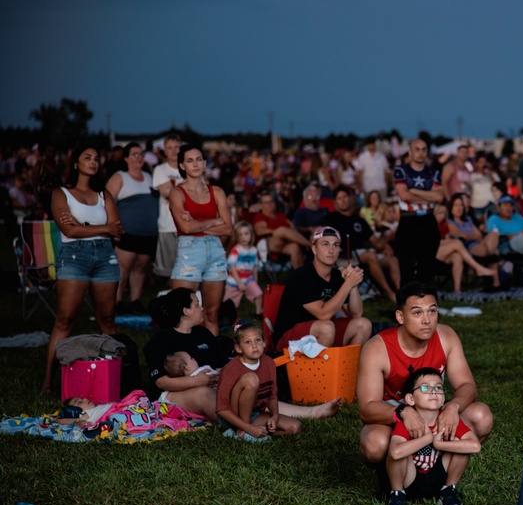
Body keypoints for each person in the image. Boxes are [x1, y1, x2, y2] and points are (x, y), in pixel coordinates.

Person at [357, 282, 493, 476]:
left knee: (482, 416)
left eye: (432, 311)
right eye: (417, 313)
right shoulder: (377, 348)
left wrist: (452, 407)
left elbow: (467, 385)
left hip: (434, 412)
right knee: (374, 444)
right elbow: (367, 409)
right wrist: (404, 412)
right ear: (400, 317)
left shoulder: (446, 336)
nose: (427, 320)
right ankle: (397, 476)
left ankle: (439, 468)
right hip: (395, 417)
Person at [144, 288, 342, 420]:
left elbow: (224, 363)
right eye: (197, 304)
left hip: (211, 385)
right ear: (186, 311)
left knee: (249, 385)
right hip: (173, 395)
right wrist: (199, 382)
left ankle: (312, 412)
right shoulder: (162, 339)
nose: (202, 308)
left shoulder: (202, 334)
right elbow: (160, 382)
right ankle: (249, 422)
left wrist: (222, 374)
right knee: (205, 393)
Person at [41, 144, 125, 393]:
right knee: (65, 319)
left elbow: (117, 231)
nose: (93, 161)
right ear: (76, 164)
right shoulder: (61, 194)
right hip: (74, 257)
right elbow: (70, 230)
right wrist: (102, 228)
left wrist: (84, 226)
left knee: (108, 320)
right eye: (87, 157)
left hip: (105, 257)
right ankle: (48, 381)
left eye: (96, 158)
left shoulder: (104, 195)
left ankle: (118, 376)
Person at [384, 367, 481, 505]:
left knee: (460, 444)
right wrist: (428, 438)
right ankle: (397, 495)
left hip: (438, 476)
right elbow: (395, 452)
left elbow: (474, 446)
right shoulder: (409, 422)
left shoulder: (447, 420)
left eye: (438, 388)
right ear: (410, 399)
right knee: (401, 451)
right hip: (410, 478)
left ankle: (448, 491)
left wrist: (439, 444)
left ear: (443, 398)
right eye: (425, 388)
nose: (433, 391)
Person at [272, 227, 371, 352]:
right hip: (289, 339)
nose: (331, 250)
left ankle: (348, 369)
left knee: (363, 324)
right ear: (314, 249)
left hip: (325, 332)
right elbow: (323, 314)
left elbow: (356, 313)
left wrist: (353, 285)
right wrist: (347, 284)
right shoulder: (301, 276)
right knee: (326, 327)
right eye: (325, 244)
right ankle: (318, 371)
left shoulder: (336, 276)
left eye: (335, 245)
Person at [168, 144, 233, 336]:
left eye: (198, 159)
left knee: (212, 314)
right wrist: (214, 221)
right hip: (189, 252)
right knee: (181, 315)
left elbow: (228, 229)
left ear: (205, 163)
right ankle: (181, 361)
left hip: (215, 252)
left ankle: (211, 359)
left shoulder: (217, 192)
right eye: (189, 160)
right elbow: (186, 228)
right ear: (182, 165)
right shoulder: (177, 193)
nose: (195, 164)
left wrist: (197, 223)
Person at [216, 322, 301, 441]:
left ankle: (256, 435)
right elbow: (222, 409)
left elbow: (272, 396)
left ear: (264, 343)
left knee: (294, 427)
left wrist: (274, 417)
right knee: (251, 379)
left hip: (254, 413)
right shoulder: (231, 369)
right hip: (231, 417)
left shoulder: (269, 363)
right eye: (248, 342)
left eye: (257, 340)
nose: (254, 346)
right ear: (238, 348)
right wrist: (249, 428)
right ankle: (242, 431)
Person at [322, 185, 401, 303]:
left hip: (363, 254)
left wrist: (385, 241)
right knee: (371, 255)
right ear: (335, 203)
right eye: (339, 198)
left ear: (350, 198)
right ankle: (389, 293)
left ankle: (401, 294)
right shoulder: (330, 219)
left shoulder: (359, 220)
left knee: (392, 260)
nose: (343, 200)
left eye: (345, 196)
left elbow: (376, 243)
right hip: (345, 257)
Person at [106, 141, 158, 314]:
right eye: (135, 154)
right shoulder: (120, 177)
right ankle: (118, 302)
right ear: (126, 158)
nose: (139, 157)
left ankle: (135, 301)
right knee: (123, 269)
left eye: (141, 154)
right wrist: (113, 227)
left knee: (140, 268)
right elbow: (107, 203)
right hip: (127, 232)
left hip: (148, 233)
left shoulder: (150, 177)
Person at [393, 139, 445, 285]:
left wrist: (414, 191)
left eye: (424, 149)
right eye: (417, 149)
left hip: (428, 221)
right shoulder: (401, 170)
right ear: (410, 152)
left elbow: (439, 197)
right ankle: (406, 305)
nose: (421, 153)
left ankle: (426, 305)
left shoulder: (433, 172)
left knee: (426, 267)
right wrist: (428, 196)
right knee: (407, 268)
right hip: (408, 221)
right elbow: (404, 196)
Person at [432, 203, 498, 292]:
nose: (442, 216)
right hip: (430, 252)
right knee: (457, 243)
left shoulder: (444, 225)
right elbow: (430, 242)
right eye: (440, 213)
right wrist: (451, 242)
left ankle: (457, 290)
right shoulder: (429, 224)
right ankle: (477, 268)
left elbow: (477, 235)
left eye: (444, 214)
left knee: (457, 257)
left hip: (442, 252)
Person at [253, 191, 310, 269]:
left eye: (271, 201)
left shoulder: (281, 215)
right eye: (266, 202)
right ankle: (310, 245)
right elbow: (260, 231)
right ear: (261, 205)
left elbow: (293, 229)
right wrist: (276, 232)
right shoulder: (260, 216)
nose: (269, 204)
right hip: (269, 243)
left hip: (286, 243)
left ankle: (300, 277)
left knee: (295, 247)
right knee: (282, 230)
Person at [152, 135, 181, 278]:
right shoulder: (160, 170)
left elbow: (198, 193)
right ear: (165, 150)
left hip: (188, 224)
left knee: (187, 265)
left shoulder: (190, 168)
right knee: (170, 269)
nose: (174, 151)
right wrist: (185, 190)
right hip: (167, 224)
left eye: (176, 147)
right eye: (170, 148)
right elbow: (165, 192)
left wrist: (172, 190)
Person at [224, 221, 264, 318]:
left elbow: (254, 267)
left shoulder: (254, 250)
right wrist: (239, 283)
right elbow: (232, 267)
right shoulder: (236, 250)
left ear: (251, 234)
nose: (243, 237)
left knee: (259, 294)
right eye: (240, 235)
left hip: (248, 279)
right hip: (234, 281)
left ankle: (258, 313)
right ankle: (229, 318)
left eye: (246, 234)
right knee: (231, 302)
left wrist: (255, 280)